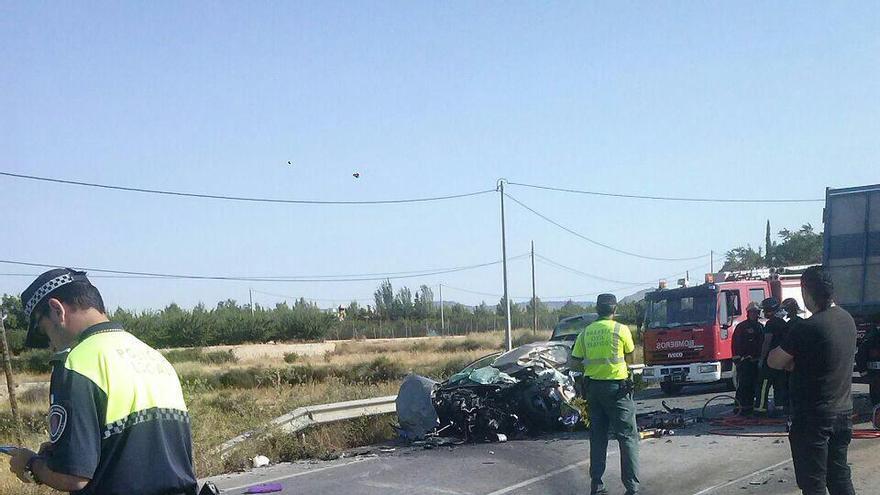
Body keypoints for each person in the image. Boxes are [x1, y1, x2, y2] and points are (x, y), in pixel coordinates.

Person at [7, 268, 198, 495]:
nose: (50, 344)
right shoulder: (154, 357)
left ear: (57, 310)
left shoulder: (76, 363)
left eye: (42, 330)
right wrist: (66, 449)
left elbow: (74, 477)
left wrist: (31, 464)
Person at [768, 265, 857, 495]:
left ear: (806, 291)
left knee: (813, 483)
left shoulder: (808, 328)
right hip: (843, 413)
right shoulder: (847, 320)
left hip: (813, 418)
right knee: (839, 477)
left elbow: (774, 361)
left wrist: (793, 363)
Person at [569, 293, 639, 495]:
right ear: (614, 310)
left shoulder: (586, 332)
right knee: (627, 437)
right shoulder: (621, 329)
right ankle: (632, 488)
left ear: (597, 310)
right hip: (617, 390)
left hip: (594, 390)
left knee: (598, 438)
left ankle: (597, 486)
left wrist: (589, 370)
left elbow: (574, 362)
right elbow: (631, 356)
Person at [755, 297, 789, 416]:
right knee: (779, 385)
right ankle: (780, 408)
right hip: (782, 360)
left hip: (770, 359)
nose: (763, 312)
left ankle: (760, 409)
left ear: (770, 310)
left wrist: (761, 359)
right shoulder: (783, 323)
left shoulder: (770, 323)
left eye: (765, 310)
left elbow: (767, 342)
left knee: (764, 384)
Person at [731, 302, 763, 415]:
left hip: (756, 361)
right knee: (743, 386)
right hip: (745, 362)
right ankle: (739, 409)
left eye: (756, 312)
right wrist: (738, 361)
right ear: (748, 313)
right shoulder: (742, 327)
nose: (754, 314)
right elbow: (735, 344)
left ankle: (749, 408)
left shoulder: (760, 327)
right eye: (752, 312)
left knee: (754, 386)